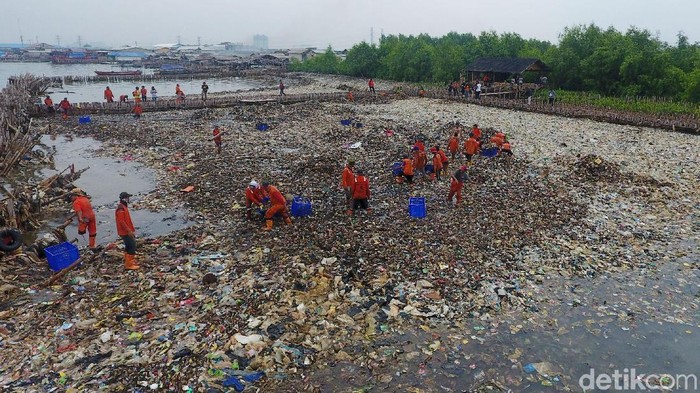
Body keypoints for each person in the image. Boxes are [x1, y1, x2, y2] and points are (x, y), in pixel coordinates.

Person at [115, 191, 139, 270]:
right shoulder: (120, 209)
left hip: (125, 231)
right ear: (124, 199)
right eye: (128, 198)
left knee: (128, 246)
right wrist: (129, 231)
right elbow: (121, 221)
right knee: (132, 246)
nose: (129, 199)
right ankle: (129, 265)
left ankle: (128, 261)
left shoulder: (123, 206)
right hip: (125, 232)